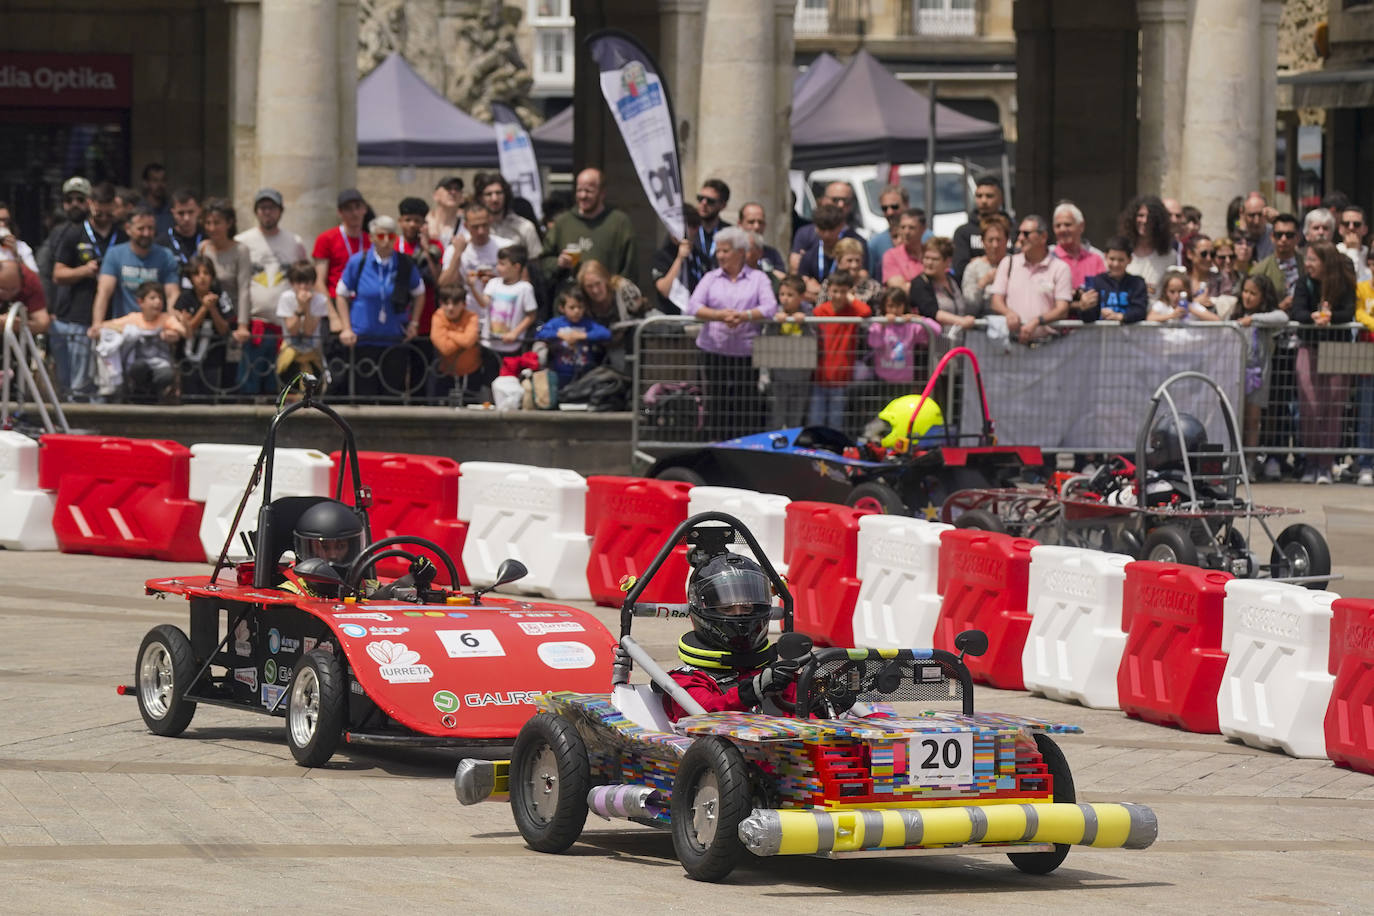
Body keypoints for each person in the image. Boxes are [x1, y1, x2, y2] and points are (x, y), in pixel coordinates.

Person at [662, 552, 795, 722]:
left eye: (746, 608)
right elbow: (704, 717)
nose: (739, 616)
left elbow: (809, 714)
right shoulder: (686, 679)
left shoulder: (771, 675)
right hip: (716, 746)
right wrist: (747, 694)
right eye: (727, 609)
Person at [684, 226, 778, 438]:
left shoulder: (758, 279)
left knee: (745, 403)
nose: (720, 255)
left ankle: (744, 445)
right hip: (714, 352)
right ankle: (716, 444)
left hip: (746, 353)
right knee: (716, 401)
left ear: (740, 252)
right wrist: (719, 315)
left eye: (725, 251)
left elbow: (770, 307)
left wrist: (744, 316)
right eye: (718, 251)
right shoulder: (710, 278)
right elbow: (693, 306)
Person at [334, 215, 425, 398]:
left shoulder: (405, 263)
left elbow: (419, 293)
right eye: (381, 236)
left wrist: (414, 324)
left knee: (392, 395)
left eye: (391, 237)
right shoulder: (358, 261)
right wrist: (346, 328)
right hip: (363, 339)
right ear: (372, 238)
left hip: (394, 339)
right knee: (364, 394)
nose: (386, 242)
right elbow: (341, 294)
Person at [50, 182, 124, 399]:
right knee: (79, 382)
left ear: (115, 206)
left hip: (113, 318)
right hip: (80, 315)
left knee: (108, 380)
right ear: (90, 204)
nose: (102, 213)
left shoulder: (121, 237)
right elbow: (58, 274)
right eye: (98, 208)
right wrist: (84, 271)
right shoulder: (75, 234)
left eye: (107, 208)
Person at [1291, 242, 1357, 484]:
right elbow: (1296, 312)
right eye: (1307, 259)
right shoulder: (1303, 283)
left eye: (1312, 260)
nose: (1307, 264)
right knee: (1310, 408)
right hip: (1309, 348)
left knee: (1333, 408)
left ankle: (1326, 465)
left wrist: (1331, 318)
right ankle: (1311, 461)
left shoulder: (1343, 283)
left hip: (1337, 350)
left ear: (1325, 261)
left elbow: (1349, 312)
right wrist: (1312, 317)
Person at [235, 189, 309, 397]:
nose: (267, 213)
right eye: (263, 208)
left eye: (272, 208)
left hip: (285, 328)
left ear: (280, 211)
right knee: (249, 387)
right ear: (256, 211)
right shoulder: (242, 241)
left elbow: (302, 279)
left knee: (281, 391)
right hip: (254, 326)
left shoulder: (295, 242)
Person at [538, 168, 637, 290]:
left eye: (589, 191)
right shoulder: (563, 223)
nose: (583, 195)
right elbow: (543, 262)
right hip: (571, 301)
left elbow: (630, 268)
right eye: (579, 190)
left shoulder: (619, 223)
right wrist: (559, 263)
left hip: (606, 301)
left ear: (602, 193)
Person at [88, 206, 181, 332]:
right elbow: (104, 292)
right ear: (128, 229)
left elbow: (172, 294)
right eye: (141, 229)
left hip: (155, 329)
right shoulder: (115, 254)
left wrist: (173, 325)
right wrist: (97, 324)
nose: (146, 233)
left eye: (150, 228)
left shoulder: (165, 256)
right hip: (123, 327)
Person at [1234, 274, 1289, 468]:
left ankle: (1249, 463)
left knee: (1252, 420)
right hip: (1234, 376)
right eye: (1245, 291)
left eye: (1253, 293)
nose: (1247, 297)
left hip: (1257, 376)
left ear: (1263, 297)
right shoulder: (1235, 314)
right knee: (1234, 419)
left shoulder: (1262, 319)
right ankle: (1233, 461)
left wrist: (1253, 319)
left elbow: (1282, 317)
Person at [989, 215, 1072, 344]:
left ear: (1043, 237)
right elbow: (996, 301)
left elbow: (1062, 310)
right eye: (1019, 233)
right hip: (1013, 345)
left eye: (1026, 234)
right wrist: (1008, 313)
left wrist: (1037, 321)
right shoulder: (1008, 263)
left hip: (1048, 347)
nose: (1020, 238)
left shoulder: (1060, 268)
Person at [97, 281, 183, 402]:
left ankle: (153, 395)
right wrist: (125, 329)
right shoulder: (134, 318)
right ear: (140, 302)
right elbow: (104, 325)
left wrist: (174, 334)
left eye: (160, 298)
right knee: (139, 368)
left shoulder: (166, 319)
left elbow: (184, 332)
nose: (157, 302)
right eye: (152, 298)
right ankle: (137, 393)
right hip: (138, 365)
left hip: (160, 366)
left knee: (167, 374)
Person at [809, 269, 870, 430]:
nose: (838, 296)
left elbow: (866, 311)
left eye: (843, 292)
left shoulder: (852, 311)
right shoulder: (820, 311)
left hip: (842, 375)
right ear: (828, 290)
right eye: (835, 291)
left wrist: (851, 298)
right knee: (816, 417)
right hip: (820, 374)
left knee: (836, 419)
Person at [172, 255, 235, 395]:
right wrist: (204, 308)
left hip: (212, 360)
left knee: (210, 398)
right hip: (187, 360)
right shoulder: (185, 298)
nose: (202, 278)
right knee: (189, 397)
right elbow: (189, 329)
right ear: (190, 278)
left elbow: (224, 329)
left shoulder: (220, 296)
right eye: (197, 274)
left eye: (206, 273)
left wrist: (213, 309)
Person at [280, 499, 367, 598]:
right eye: (325, 547)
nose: (333, 555)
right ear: (311, 548)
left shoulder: (368, 588)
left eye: (340, 546)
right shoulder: (290, 592)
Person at [439, 201, 513, 313]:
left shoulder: (506, 246)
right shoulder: (454, 249)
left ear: (490, 221)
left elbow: (523, 283)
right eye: (475, 227)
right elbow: (443, 285)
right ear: (466, 226)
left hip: (501, 315)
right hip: (468, 318)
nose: (481, 231)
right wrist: (457, 254)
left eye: (484, 225)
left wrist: (497, 280)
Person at [761, 275, 813, 428]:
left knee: (795, 417)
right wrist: (775, 324)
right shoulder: (774, 314)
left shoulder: (809, 316)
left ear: (801, 297)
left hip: (801, 375)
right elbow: (767, 340)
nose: (785, 299)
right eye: (782, 294)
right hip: (778, 376)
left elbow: (814, 340)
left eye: (790, 295)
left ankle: (791, 444)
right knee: (776, 414)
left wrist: (804, 323)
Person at [313, 188, 372, 327]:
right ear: (340, 212)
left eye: (358, 207)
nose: (354, 213)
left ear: (365, 209)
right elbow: (319, 281)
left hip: (363, 305)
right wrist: (332, 315)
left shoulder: (371, 240)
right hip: (335, 302)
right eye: (348, 209)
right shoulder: (326, 239)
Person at [470, 243, 538, 356]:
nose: (498, 267)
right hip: (489, 343)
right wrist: (472, 287)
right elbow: (484, 303)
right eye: (498, 263)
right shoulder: (493, 283)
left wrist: (515, 333)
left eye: (502, 264)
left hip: (511, 346)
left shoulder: (525, 288)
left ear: (516, 267)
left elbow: (531, 315)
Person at [430, 283, 492, 402]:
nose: (450, 308)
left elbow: (468, 341)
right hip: (445, 374)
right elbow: (444, 348)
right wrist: (461, 335)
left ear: (464, 304)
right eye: (446, 303)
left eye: (455, 303)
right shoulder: (437, 316)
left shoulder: (472, 317)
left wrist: (449, 333)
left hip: (471, 373)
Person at [536, 288, 611, 385]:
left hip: (584, 375)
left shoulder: (587, 324)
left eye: (580, 307)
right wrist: (559, 334)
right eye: (572, 307)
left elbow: (606, 334)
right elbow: (540, 333)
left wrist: (582, 335)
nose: (576, 311)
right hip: (560, 374)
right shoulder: (556, 323)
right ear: (562, 308)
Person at [868, 286, 938, 388]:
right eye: (890, 306)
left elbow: (937, 330)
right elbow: (873, 343)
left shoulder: (911, 325)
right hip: (882, 381)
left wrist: (918, 318)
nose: (894, 310)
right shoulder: (879, 324)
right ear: (884, 306)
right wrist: (882, 325)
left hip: (905, 382)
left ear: (904, 306)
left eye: (898, 306)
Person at [197, 198, 251, 329]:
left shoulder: (241, 251)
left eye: (217, 223)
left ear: (229, 223)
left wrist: (242, 325)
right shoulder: (203, 248)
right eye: (208, 223)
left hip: (231, 318)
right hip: (207, 318)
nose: (212, 228)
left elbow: (244, 289)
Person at [789, 181, 867, 271]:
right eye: (835, 200)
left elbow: (862, 273)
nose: (841, 205)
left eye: (846, 201)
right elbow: (795, 266)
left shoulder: (857, 240)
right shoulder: (805, 233)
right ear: (823, 200)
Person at [276, 259, 330, 387]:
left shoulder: (319, 300)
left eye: (307, 282)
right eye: (298, 282)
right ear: (291, 283)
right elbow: (292, 330)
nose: (303, 287)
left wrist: (307, 307)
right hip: (290, 354)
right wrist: (300, 308)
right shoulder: (286, 298)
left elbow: (308, 332)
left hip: (312, 353)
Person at [908, 236, 975, 333]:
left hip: (956, 341)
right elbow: (931, 312)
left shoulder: (953, 280)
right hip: (931, 343)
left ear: (947, 261)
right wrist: (961, 321)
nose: (929, 262)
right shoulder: (920, 283)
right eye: (926, 258)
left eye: (935, 259)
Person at [1079, 237, 1148, 323]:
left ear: (1130, 260)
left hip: (1130, 335)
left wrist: (1120, 317)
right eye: (1112, 259)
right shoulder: (1097, 282)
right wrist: (1084, 307)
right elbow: (1089, 317)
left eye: (1121, 260)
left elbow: (1140, 311)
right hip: (1101, 335)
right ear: (1105, 257)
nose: (1116, 264)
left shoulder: (1137, 283)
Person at [1051, 202, 1106, 309]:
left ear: (1081, 226)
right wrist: (1079, 304)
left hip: (1090, 323)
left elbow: (1105, 293)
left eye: (1067, 225)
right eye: (1058, 226)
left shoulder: (1096, 258)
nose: (1062, 229)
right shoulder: (1047, 257)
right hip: (1054, 324)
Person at [473, 172, 541, 257]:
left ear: (506, 195)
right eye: (488, 194)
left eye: (498, 193)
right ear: (480, 198)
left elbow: (535, 262)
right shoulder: (474, 228)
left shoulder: (525, 227)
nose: (494, 199)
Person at [952, 175, 1006, 282]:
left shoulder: (1012, 230)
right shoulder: (963, 232)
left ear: (1001, 199)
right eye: (979, 196)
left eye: (989, 196)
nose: (984, 200)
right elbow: (960, 268)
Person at [1120, 195, 1175, 296]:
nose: (1145, 221)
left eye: (1150, 217)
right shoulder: (1121, 252)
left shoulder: (1170, 256)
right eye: (1140, 215)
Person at [960, 213, 1011, 317]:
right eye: (990, 240)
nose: (995, 245)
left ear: (1006, 240)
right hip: (983, 327)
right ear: (982, 241)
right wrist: (983, 282)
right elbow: (969, 307)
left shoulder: (1016, 263)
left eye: (999, 240)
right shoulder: (973, 268)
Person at [798, 203, 850, 302]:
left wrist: (820, 291)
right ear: (816, 228)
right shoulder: (808, 257)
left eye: (831, 229)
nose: (827, 234)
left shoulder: (850, 256)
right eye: (823, 229)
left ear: (841, 227)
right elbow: (801, 291)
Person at [1353, 252, 1374, 486]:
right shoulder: (1361, 288)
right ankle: (1365, 463)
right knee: (1367, 415)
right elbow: (1359, 313)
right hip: (1367, 356)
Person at [1252, 213, 1301, 309]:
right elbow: (1253, 308)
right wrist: (1280, 307)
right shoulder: (1260, 271)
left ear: (1297, 238)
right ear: (1272, 237)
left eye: (1289, 235)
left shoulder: (1308, 265)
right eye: (1279, 235)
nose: (1283, 239)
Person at [818, 238, 880, 307]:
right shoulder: (828, 284)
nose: (854, 265)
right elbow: (819, 313)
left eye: (857, 260)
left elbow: (878, 314)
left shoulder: (873, 287)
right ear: (838, 261)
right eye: (849, 260)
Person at [692, 178, 732, 283]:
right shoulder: (686, 230)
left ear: (723, 206)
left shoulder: (730, 233)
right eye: (700, 198)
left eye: (710, 201)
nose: (704, 203)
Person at [867, 184, 909, 281]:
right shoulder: (875, 244)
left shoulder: (925, 238)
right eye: (884, 208)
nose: (889, 212)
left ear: (906, 204)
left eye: (894, 207)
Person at [0, 260, 51, 335]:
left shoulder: (29, 280)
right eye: (3, 289)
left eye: (13, 289)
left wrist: (21, 325)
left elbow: (43, 323)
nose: (8, 294)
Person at [737, 202, 787, 277]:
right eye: (751, 222)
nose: (757, 227)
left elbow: (782, 279)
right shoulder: (731, 252)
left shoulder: (772, 254)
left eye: (760, 222)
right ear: (740, 224)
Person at [880, 208, 928, 287]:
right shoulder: (891, 256)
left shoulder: (931, 253)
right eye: (903, 227)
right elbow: (899, 289)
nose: (906, 232)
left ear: (923, 229)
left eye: (911, 227)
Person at [156, 189, 203, 266]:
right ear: (173, 213)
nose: (186, 218)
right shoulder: (161, 244)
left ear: (199, 211)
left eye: (191, 212)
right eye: (181, 213)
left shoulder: (207, 239)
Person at [426, 177, 465, 250]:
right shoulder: (424, 223)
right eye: (448, 188)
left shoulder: (467, 225)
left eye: (457, 189)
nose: (453, 192)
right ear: (435, 195)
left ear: (462, 197)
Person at [0, 201, 38, 272]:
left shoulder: (22, 247)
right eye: (0, 220)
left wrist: (16, 254)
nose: (3, 224)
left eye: (7, 221)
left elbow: (34, 278)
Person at [1338, 206, 1371, 285]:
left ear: (1365, 229)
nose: (1351, 227)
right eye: (1346, 224)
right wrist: (1353, 250)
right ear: (1340, 229)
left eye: (1356, 224)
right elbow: (1350, 280)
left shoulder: (1370, 253)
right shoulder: (1334, 252)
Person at [1240, 191, 1276, 260]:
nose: (1256, 221)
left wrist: (1278, 220)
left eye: (1260, 214)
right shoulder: (1237, 237)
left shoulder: (1276, 235)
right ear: (1242, 213)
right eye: (1251, 215)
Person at [140, 163, 173, 235]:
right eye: (155, 180)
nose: (160, 184)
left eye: (163, 180)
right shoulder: (138, 208)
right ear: (145, 183)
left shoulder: (172, 209)